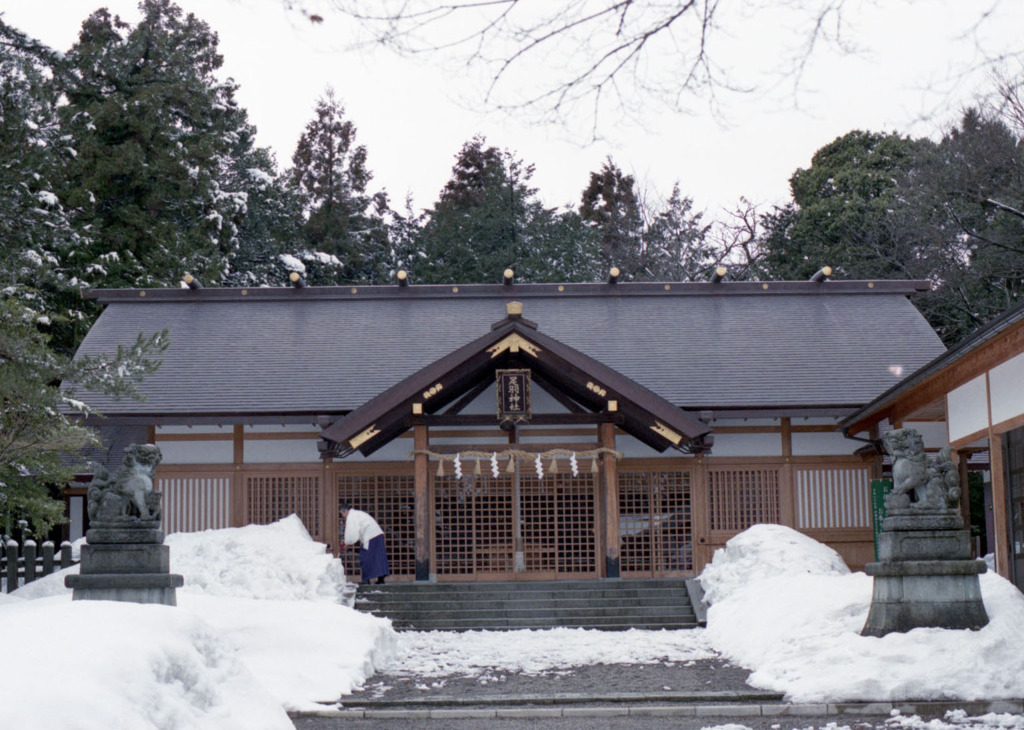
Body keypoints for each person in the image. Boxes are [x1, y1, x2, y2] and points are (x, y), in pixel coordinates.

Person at [340, 502, 390, 585]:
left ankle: (366, 579)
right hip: (376, 534)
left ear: (345, 511)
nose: (343, 516)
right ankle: (381, 579)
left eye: (342, 513)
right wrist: (347, 541)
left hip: (371, 536)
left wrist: (346, 541)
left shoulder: (352, 516)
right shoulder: (357, 514)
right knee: (378, 557)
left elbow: (352, 532)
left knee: (365, 556)